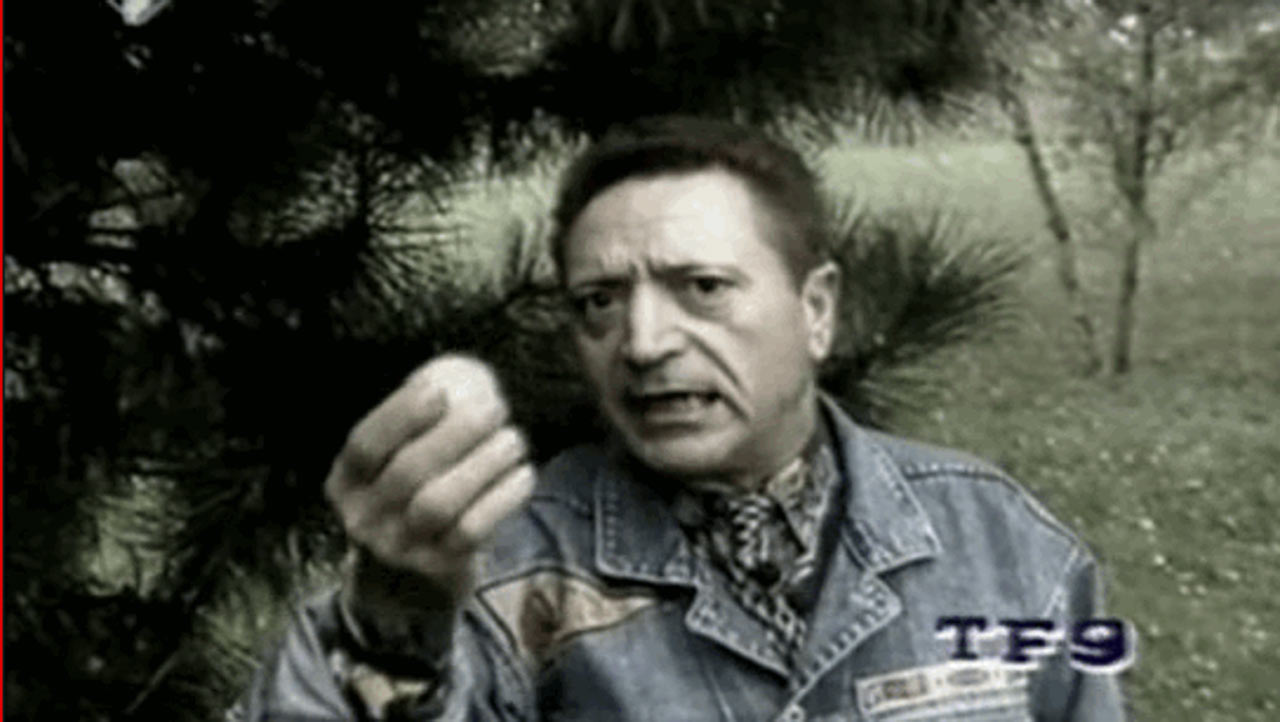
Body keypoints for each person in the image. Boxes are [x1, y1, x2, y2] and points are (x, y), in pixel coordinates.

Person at [239, 116, 1128, 721]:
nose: (642, 342)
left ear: (817, 311)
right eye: (598, 302)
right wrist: (389, 630)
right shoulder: (505, 571)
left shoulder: (1005, 544)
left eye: (701, 287)